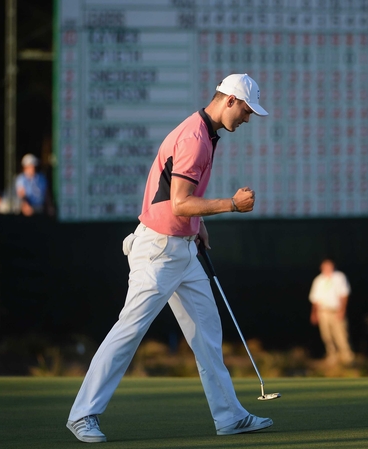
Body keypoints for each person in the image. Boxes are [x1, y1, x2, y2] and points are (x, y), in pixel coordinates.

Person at [66, 73, 272, 443]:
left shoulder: (207, 133)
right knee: (129, 330)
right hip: (158, 251)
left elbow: (180, 201)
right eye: (245, 110)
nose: (247, 118)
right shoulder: (195, 138)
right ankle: (82, 415)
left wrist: (198, 225)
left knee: (208, 334)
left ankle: (229, 416)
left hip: (182, 248)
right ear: (228, 101)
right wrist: (230, 205)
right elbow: (178, 202)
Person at [309, 258, 354, 365]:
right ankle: (332, 356)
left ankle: (347, 357)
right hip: (323, 311)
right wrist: (314, 313)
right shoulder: (319, 280)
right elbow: (315, 299)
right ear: (321, 268)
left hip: (336, 310)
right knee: (326, 335)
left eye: (329, 266)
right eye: (325, 266)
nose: (327, 268)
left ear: (333, 266)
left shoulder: (339, 277)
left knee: (341, 334)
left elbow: (344, 295)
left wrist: (342, 310)